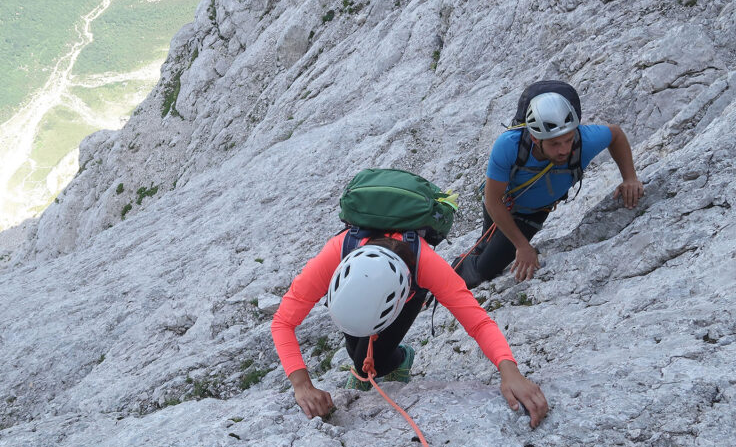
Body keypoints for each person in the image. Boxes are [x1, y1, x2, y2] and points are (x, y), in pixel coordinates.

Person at [271, 231, 549, 427]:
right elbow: (283, 322)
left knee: (369, 363)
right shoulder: (336, 253)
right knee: (357, 351)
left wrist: (510, 372)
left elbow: (477, 321)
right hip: (360, 289)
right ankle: (370, 354)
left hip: (409, 286)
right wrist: (302, 385)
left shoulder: (427, 265)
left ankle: (401, 357)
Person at [455, 86, 645, 287]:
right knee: (484, 254)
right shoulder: (509, 145)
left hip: (532, 214)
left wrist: (629, 178)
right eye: (554, 144)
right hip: (501, 204)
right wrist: (522, 246)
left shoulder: (584, 140)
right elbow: (492, 200)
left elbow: (615, 134)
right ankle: (449, 278)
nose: (564, 150)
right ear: (536, 138)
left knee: (487, 267)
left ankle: (458, 273)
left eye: (568, 140)